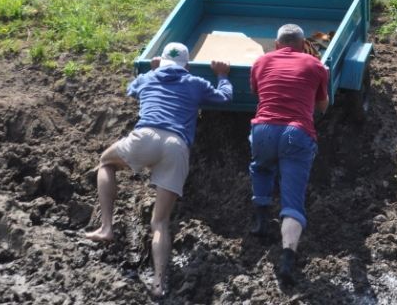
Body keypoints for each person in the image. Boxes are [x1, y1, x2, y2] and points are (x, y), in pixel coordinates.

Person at [85, 42, 232, 299]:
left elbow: (132, 89)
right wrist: (222, 76)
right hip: (177, 146)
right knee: (160, 221)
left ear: (162, 61)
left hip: (146, 137)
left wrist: (150, 70)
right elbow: (224, 97)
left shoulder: (150, 77)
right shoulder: (195, 83)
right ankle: (159, 283)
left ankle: (106, 227)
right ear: (185, 65)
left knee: (106, 163)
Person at [248, 23, 330, 287]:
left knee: (261, 167)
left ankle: (260, 222)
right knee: (293, 200)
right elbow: (322, 105)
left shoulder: (261, 62)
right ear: (303, 45)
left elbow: (257, 93)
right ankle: (287, 260)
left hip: (263, 129)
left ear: (276, 44)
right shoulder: (316, 66)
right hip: (296, 132)